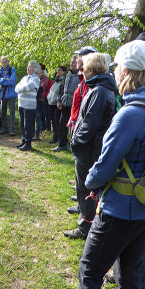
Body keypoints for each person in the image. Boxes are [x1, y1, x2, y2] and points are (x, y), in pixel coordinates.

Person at [50, 40, 145, 289]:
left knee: (91, 269)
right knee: (132, 272)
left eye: (118, 67)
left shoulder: (131, 114)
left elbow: (103, 169)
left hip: (121, 210)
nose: (116, 72)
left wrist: (89, 181)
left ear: (127, 72)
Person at [64, 53, 117, 240]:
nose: (81, 72)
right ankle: (88, 224)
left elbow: (89, 124)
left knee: (85, 188)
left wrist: (75, 141)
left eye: (82, 69)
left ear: (91, 70)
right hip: (90, 147)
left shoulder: (100, 91)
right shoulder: (99, 88)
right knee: (87, 187)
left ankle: (85, 228)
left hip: (89, 149)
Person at [67, 46, 98, 214]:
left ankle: (84, 207)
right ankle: (81, 200)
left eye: (79, 56)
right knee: (79, 168)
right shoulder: (82, 78)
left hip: (84, 133)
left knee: (85, 169)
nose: (76, 59)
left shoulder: (91, 81)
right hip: (77, 125)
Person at [53, 55, 80, 152]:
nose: (71, 64)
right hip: (65, 103)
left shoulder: (81, 75)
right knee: (62, 124)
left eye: (74, 62)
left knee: (74, 126)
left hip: (75, 105)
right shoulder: (68, 74)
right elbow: (61, 88)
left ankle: (73, 146)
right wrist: (59, 100)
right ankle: (61, 144)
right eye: (71, 62)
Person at [15, 60, 40, 151]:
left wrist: (21, 89)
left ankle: (28, 143)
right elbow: (16, 87)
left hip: (29, 105)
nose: (27, 68)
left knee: (28, 124)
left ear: (35, 69)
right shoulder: (24, 78)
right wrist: (22, 89)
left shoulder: (36, 78)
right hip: (21, 104)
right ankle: (24, 140)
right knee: (22, 123)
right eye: (28, 66)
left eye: (30, 67)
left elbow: (29, 87)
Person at [0, 56, 18, 136]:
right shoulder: (0, 71)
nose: (4, 64)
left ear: (8, 62)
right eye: (2, 62)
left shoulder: (12, 70)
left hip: (11, 94)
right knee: (3, 112)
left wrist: (2, 80)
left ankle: (13, 130)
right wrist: (5, 79)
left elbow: (13, 81)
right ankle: (5, 128)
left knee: (12, 112)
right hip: (3, 93)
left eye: (5, 62)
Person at [47, 66, 67, 144]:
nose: (58, 71)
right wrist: (49, 97)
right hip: (51, 102)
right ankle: (55, 136)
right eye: (57, 70)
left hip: (57, 103)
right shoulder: (56, 80)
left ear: (64, 71)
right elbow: (52, 90)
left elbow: (61, 92)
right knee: (53, 121)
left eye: (60, 70)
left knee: (57, 121)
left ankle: (60, 137)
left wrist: (59, 101)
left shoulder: (64, 81)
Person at [34, 63, 48, 140]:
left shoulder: (45, 78)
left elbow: (41, 88)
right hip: (33, 99)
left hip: (40, 100)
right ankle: (32, 133)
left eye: (39, 68)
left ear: (42, 70)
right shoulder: (34, 77)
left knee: (38, 117)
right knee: (33, 116)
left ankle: (37, 134)